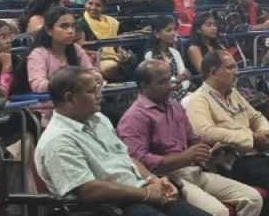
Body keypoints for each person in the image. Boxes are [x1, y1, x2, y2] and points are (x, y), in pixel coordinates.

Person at [34, 67, 212, 216]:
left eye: (99, 88)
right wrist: (146, 194)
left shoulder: (99, 119)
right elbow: (89, 190)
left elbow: (126, 157)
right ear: (69, 98)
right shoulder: (58, 140)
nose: (99, 95)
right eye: (92, 91)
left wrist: (152, 180)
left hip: (137, 194)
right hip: (108, 208)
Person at [118, 60, 265, 216]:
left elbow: (192, 138)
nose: (169, 86)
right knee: (219, 212)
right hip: (167, 178)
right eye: (162, 82)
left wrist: (207, 151)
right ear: (143, 86)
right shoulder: (134, 117)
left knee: (253, 198)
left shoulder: (174, 105)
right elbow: (137, 161)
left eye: (169, 80)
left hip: (194, 170)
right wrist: (185, 157)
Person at [186, 52, 269, 216]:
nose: (236, 72)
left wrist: (266, 132)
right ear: (213, 72)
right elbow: (205, 132)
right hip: (233, 162)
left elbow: (256, 117)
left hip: (259, 154)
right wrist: (251, 138)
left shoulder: (233, 93)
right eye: (230, 68)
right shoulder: (198, 99)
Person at [28, 7, 98, 122]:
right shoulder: (38, 54)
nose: (70, 31)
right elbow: (38, 86)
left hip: (80, 109)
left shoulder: (76, 49)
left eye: (72, 26)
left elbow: (91, 72)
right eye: (64, 26)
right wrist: (72, 82)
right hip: (50, 115)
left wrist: (96, 76)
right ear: (49, 30)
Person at [83, 0, 133, 82]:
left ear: (104, 7)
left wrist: (121, 51)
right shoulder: (81, 23)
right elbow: (80, 48)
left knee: (132, 58)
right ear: (85, 3)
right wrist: (105, 55)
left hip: (114, 55)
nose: (93, 7)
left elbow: (116, 44)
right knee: (112, 67)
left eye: (98, 5)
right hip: (94, 58)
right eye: (90, 3)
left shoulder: (111, 21)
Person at [144, 15, 191, 100]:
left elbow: (185, 79)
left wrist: (180, 85)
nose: (173, 33)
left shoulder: (175, 53)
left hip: (181, 92)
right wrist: (176, 80)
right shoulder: (150, 56)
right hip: (161, 97)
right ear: (157, 34)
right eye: (169, 30)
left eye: (174, 30)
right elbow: (156, 82)